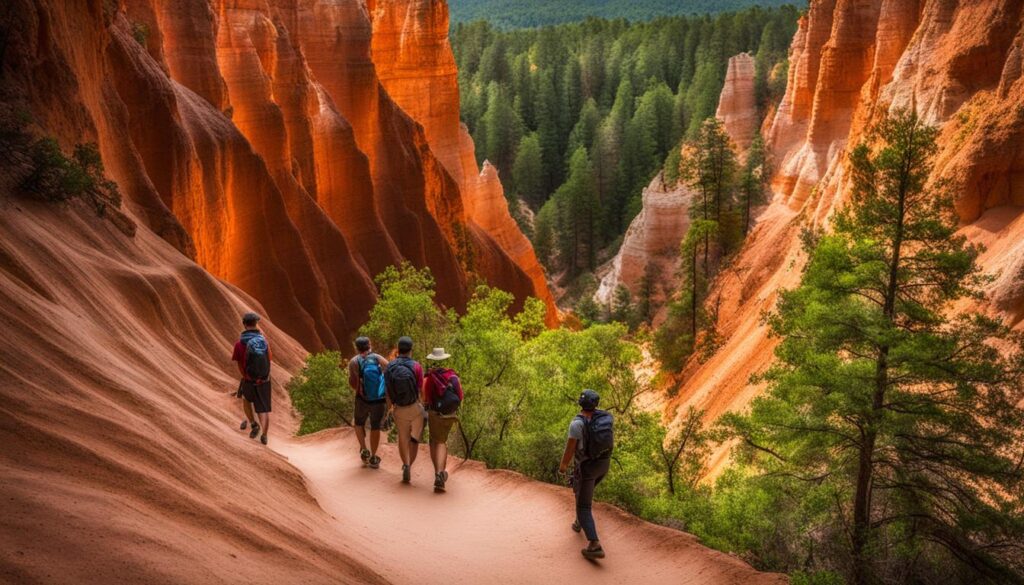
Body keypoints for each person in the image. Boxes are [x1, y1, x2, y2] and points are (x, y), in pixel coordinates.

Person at [559, 389, 613, 560]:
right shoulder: (604, 418)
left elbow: (570, 449)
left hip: (587, 467)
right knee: (581, 491)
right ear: (595, 404)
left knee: (584, 506)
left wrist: (562, 467)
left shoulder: (577, 424)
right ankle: (579, 522)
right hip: (604, 464)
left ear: (580, 403)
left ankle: (594, 544)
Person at [384, 336, 425, 483]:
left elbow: (387, 392)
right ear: (411, 350)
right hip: (414, 408)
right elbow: (421, 389)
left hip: (399, 409)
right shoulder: (416, 366)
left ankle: (405, 464)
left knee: (402, 437)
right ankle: (410, 465)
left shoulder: (389, 367)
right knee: (414, 438)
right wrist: (422, 404)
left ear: (398, 349)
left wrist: (390, 409)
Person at [423, 347, 463, 492]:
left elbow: (425, 399)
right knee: (441, 441)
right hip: (450, 414)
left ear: (432, 360)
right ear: (445, 359)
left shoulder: (429, 378)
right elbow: (460, 396)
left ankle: (438, 473)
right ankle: (439, 473)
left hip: (435, 414)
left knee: (435, 441)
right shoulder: (453, 376)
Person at [347, 336, 389, 469]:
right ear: (369, 345)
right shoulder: (378, 358)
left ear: (357, 348)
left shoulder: (354, 362)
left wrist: (359, 390)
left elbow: (353, 382)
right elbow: (389, 370)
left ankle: (364, 449)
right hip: (379, 399)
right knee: (375, 427)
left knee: (359, 423)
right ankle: (374, 457)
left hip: (362, 399)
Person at [232, 312, 273, 445]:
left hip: (249, 379)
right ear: (256, 324)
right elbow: (269, 358)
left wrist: (245, 376)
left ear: (244, 324)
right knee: (264, 409)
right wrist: (263, 375)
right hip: (264, 379)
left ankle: (254, 424)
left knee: (246, 400)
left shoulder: (239, 344)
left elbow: (238, 363)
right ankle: (265, 436)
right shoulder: (264, 341)